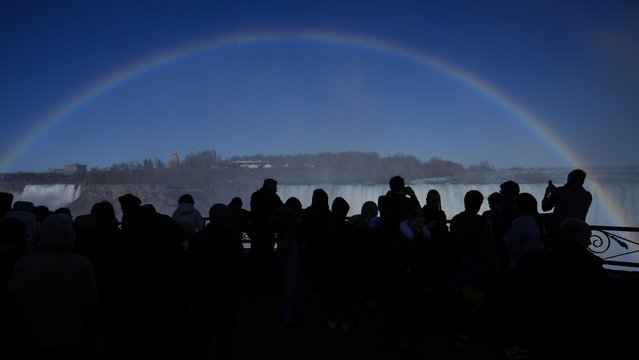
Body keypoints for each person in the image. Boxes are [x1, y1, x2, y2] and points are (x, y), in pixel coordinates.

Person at [8, 214, 98, 359]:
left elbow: (14, 298)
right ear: (70, 235)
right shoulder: (82, 263)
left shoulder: (25, 263)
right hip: (72, 332)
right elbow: (92, 299)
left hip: (33, 333)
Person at [249, 178, 284, 295]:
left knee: (256, 258)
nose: (277, 190)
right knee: (267, 257)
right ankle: (266, 287)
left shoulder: (255, 195)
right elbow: (282, 209)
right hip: (267, 231)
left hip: (255, 230)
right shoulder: (273, 197)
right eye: (275, 187)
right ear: (271, 187)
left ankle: (255, 286)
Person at [542, 169, 593, 241]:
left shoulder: (560, 192)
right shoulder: (588, 196)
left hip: (558, 233)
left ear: (570, 179)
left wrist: (547, 193)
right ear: (582, 181)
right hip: (578, 235)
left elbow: (545, 207)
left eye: (568, 178)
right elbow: (571, 203)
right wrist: (556, 192)